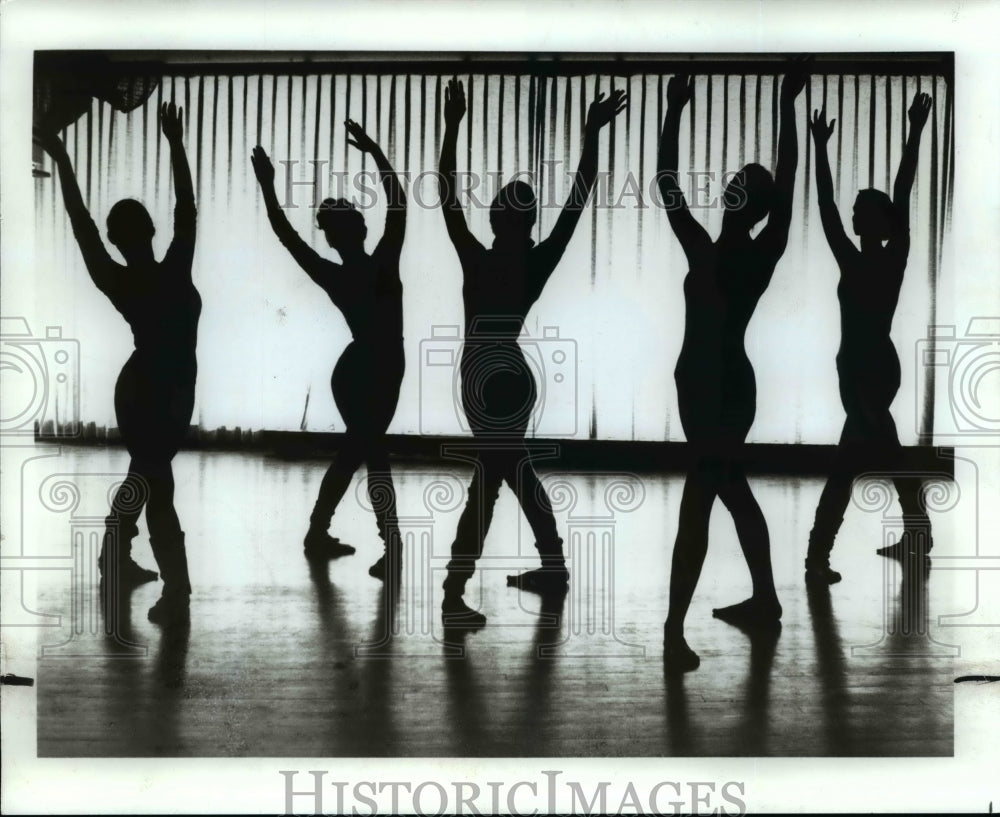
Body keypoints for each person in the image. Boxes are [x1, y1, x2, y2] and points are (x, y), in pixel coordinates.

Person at [437, 78, 627, 627]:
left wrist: (453, 123)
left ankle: (456, 589)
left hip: (481, 371)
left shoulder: (478, 257)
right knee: (511, 470)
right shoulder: (533, 262)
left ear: (500, 218)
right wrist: (591, 135)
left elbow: (448, 195)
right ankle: (551, 566)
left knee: (495, 477)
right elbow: (578, 198)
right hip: (512, 374)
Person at [658, 65, 807, 671]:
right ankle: (766, 600)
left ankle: (673, 631)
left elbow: (787, 180)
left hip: (715, 389)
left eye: (742, 183)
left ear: (743, 202)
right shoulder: (722, 248)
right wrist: (674, 109)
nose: (732, 186)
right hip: (706, 386)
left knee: (703, 496)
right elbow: (667, 185)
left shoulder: (740, 251)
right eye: (737, 180)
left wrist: (785, 105)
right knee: (731, 491)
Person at [35, 103, 199, 625]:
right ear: (149, 229)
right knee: (158, 482)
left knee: (146, 473)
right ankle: (177, 589)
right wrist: (173, 142)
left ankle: (114, 554)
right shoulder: (174, 266)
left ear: (116, 239)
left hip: (153, 387)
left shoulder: (119, 278)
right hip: (160, 388)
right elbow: (187, 209)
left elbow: (80, 221)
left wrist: (62, 158)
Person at [251, 119, 406, 580]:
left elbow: (286, 234)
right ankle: (387, 542)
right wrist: (375, 152)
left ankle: (321, 533)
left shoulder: (339, 273)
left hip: (365, 367)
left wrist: (268, 187)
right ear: (356, 228)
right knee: (369, 450)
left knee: (360, 450)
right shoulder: (380, 262)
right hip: (374, 367)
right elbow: (398, 203)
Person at [805, 93, 934, 583]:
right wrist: (819, 147)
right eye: (855, 209)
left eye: (862, 209)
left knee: (847, 462)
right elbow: (825, 206)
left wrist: (915, 133)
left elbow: (902, 189)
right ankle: (916, 539)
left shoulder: (888, 256)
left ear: (880, 221)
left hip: (872, 371)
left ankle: (817, 558)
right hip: (859, 369)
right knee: (884, 453)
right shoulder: (855, 257)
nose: (854, 214)